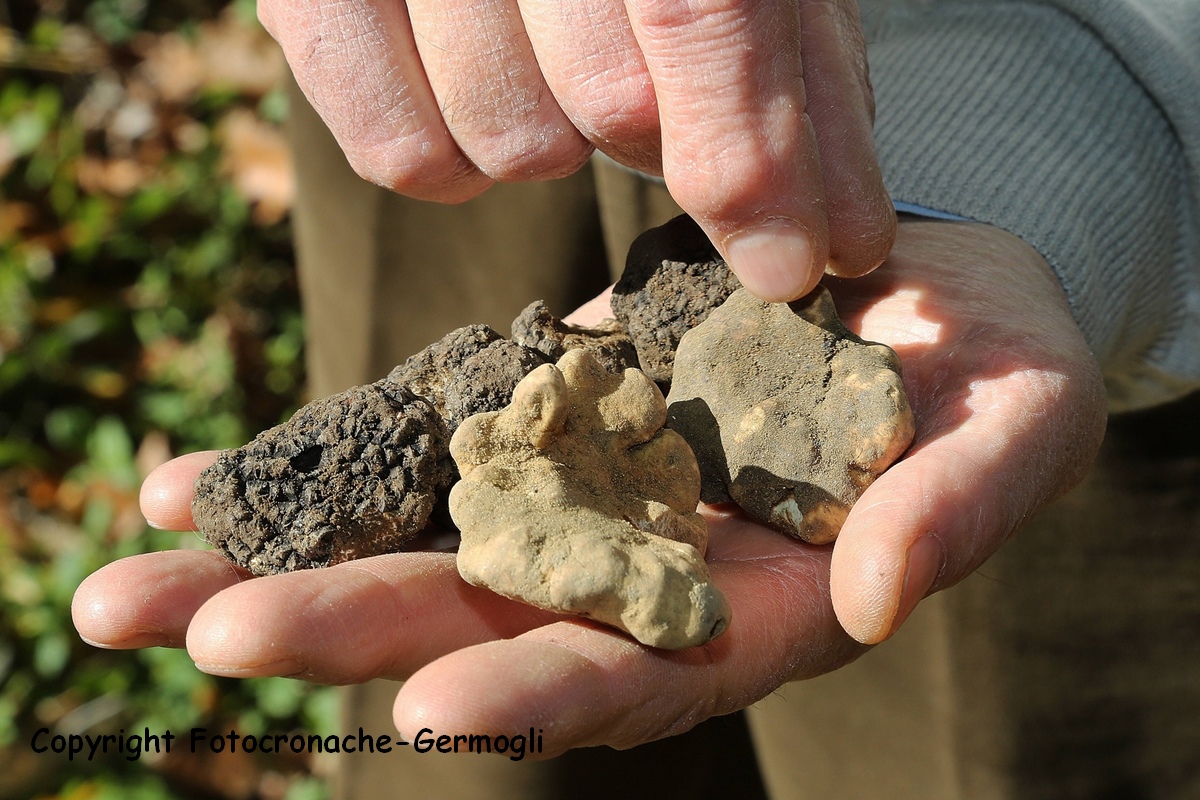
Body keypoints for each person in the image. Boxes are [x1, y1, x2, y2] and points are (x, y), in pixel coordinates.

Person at [73, 1, 1200, 797]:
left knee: (960, 735)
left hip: (1039, 91)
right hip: (449, 70)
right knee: (485, 735)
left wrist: (1074, 104)